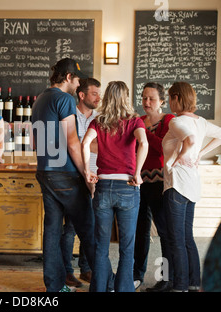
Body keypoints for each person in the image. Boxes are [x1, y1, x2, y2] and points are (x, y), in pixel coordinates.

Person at [31, 58, 96, 292]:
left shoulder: (40, 99)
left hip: (45, 172)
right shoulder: (65, 99)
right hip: (65, 175)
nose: (79, 85)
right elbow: (72, 141)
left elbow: (35, 142)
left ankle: (55, 286)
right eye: (77, 80)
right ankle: (104, 283)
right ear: (69, 77)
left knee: (52, 231)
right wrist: (86, 173)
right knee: (89, 229)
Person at [82, 81, 148, 292]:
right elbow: (144, 143)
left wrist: (87, 170)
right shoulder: (135, 121)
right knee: (127, 248)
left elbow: (84, 144)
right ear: (126, 97)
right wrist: (137, 173)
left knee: (101, 246)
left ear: (107, 97)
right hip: (128, 186)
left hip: (103, 187)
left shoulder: (98, 121)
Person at [162, 81, 221, 292]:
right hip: (192, 185)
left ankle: (180, 287)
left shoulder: (176, 122)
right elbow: (220, 134)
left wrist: (173, 161)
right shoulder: (202, 121)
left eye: (170, 97)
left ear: (177, 97)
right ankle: (194, 283)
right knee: (187, 238)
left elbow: (190, 140)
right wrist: (200, 154)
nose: (169, 102)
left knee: (176, 239)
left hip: (177, 185)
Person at [133, 82, 175, 292]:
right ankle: (137, 275)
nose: (146, 102)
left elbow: (162, 148)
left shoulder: (169, 121)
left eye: (151, 99)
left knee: (164, 232)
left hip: (160, 183)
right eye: (144, 98)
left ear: (162, 101)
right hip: (139, 183)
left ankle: (166, 278)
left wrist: (142, 133)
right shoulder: (138, 120)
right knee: (139, 231)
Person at [61, 77, 101, 287]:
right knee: (70, 228)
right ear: (82, 95)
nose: (98, 98)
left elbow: (101, 146)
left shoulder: (101, 117)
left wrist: (82, 144)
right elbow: (68, 145)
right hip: (74, 176)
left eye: (99, 93)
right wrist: (86, 145)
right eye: (94, 93)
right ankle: (67, 271)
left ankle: (86, 269)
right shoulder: (68, 114)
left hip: (96, 175)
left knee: (92, 225)